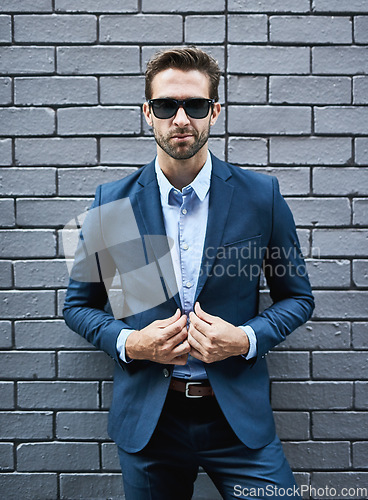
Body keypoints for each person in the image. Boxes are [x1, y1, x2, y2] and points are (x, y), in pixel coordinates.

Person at [63, 46, 314, 499]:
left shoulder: (261, 196)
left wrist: (247, 338)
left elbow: (298, 297)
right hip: (150, 426)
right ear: (148, 112)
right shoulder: (112, 203)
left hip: (237, 420)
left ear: (214, 112)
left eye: (195, 105)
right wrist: (130, 342)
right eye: (166, 106)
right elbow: (79, 306)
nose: (181, 119)